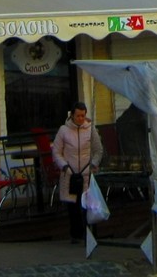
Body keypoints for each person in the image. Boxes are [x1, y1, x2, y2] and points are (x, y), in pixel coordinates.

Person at [51, 101, 104, 243]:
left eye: (83, 115)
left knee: (88, 205)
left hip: (86, 172)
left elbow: (98, 150)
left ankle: (90, 234)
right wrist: (64, 166)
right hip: (70, 173)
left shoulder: (90, 129)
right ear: (72, 115)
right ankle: (76, 235)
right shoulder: (64, 131)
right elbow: (56, 152)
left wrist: (94, 163)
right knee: (73, 206)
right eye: (78, 116)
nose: (81, 118)